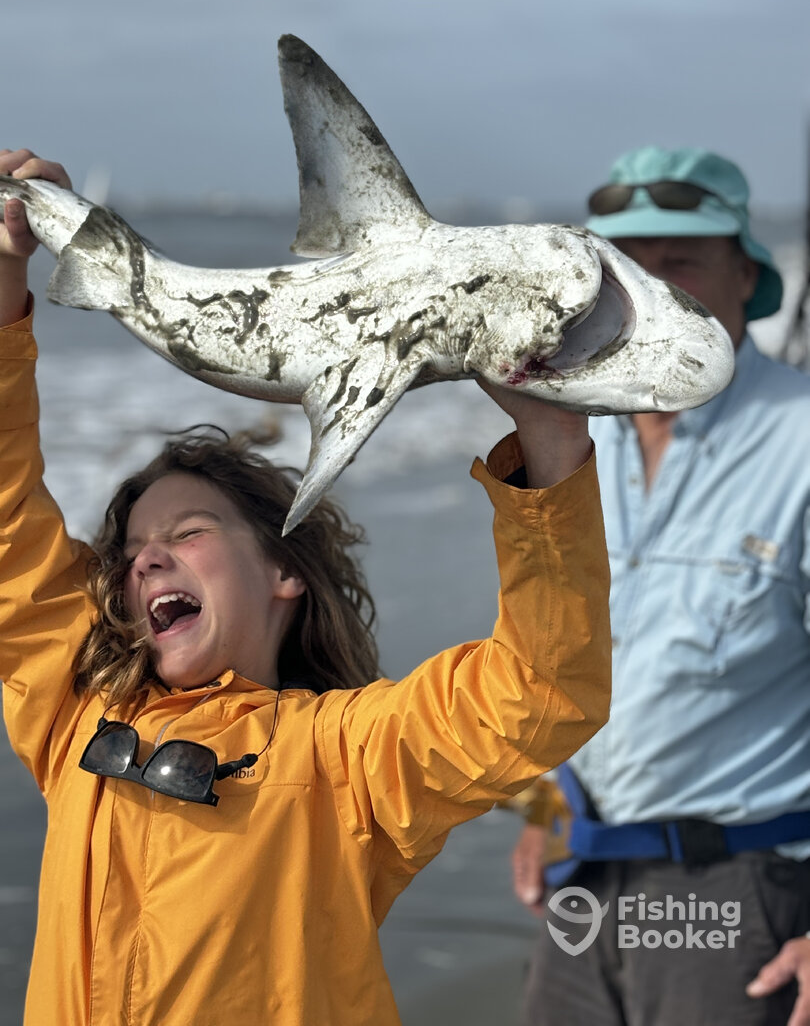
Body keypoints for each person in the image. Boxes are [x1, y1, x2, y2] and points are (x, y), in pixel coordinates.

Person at [0, 149, 612, 1026]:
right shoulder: (73, 717)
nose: (146, 562)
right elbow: (8, 527)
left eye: (188, 533)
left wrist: (550, 441)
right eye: (131, 553)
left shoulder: (349, 761)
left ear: (284, 571)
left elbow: (540, 691)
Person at [511, 145, 810, 1026]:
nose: (652, 285)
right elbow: (546, 656)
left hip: (736, 889)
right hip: (581, 872)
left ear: (747, 274)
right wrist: (542, 808)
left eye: (682, 259)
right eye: (627, 265)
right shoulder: (567, 438)